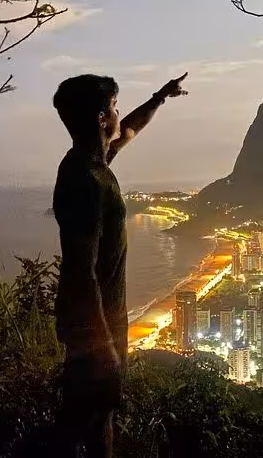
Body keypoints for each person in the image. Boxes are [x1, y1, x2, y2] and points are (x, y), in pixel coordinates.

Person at [51, 72, 188, 457]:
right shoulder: (87, 180)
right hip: (95, 328)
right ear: (99, 117)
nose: (118, 113)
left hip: (97, 324)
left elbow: (129, 130)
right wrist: (105, 347)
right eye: (113, 106)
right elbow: (83, 270)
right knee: (82, 422)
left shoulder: (89, 163)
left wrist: (160, 97)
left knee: (95, 418)